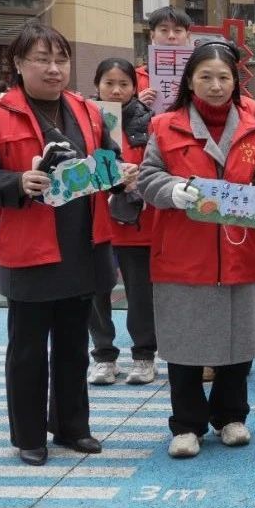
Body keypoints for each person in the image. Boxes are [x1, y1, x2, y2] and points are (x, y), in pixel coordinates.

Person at [0, 21, 130, 465]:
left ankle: (72, 427)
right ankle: (29, 435)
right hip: (29, 248)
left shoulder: (88, 111)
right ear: (18, 63)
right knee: (28, 348)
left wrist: (120, 174)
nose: (54, 69)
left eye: (61, 59)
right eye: (42, 59)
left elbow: (108, 161)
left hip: (83, 244)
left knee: (73, 345)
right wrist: (17, 182)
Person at [137, 41, 255, 459]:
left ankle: (231, 416)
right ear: (190, 81)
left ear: (235, 82)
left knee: (238, 341)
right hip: (183, 253)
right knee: (184, 342)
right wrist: (171, 190)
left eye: (224, 77)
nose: (216, 86)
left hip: (237, 250)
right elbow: (147, 176)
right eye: (206, 77)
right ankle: (187, 424)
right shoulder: (165, 126)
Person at [88, 58, 159, 386]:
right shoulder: (83, 120)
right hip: (93, 222)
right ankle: (103, 356)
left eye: (124, 84)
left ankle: (144, 355)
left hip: (136, 224)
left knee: (140, 294)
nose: (116, 91)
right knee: (95, 292)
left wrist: (137, 176)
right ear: (97, 85)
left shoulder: (151, 123)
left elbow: (159, 165)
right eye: (109, 83)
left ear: (135, 86)